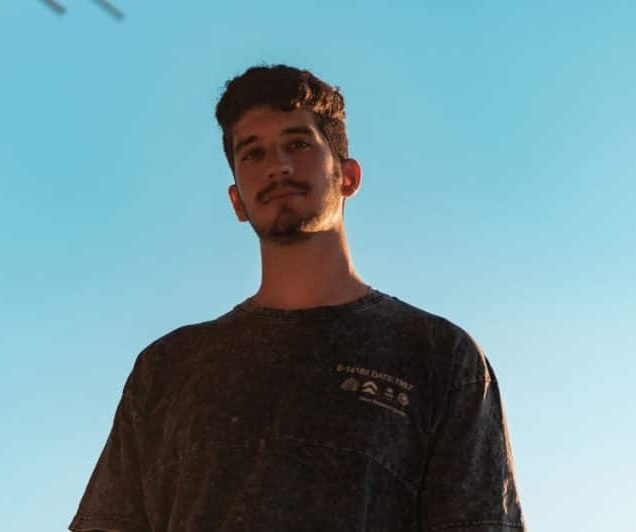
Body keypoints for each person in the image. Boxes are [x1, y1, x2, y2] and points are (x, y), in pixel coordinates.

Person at [68, 64, 526, 532]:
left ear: (347, 175)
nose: (277, 165)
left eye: (298, 144)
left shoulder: (439, 357)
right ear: (237, 201)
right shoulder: (166, 369)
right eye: (253, 153)